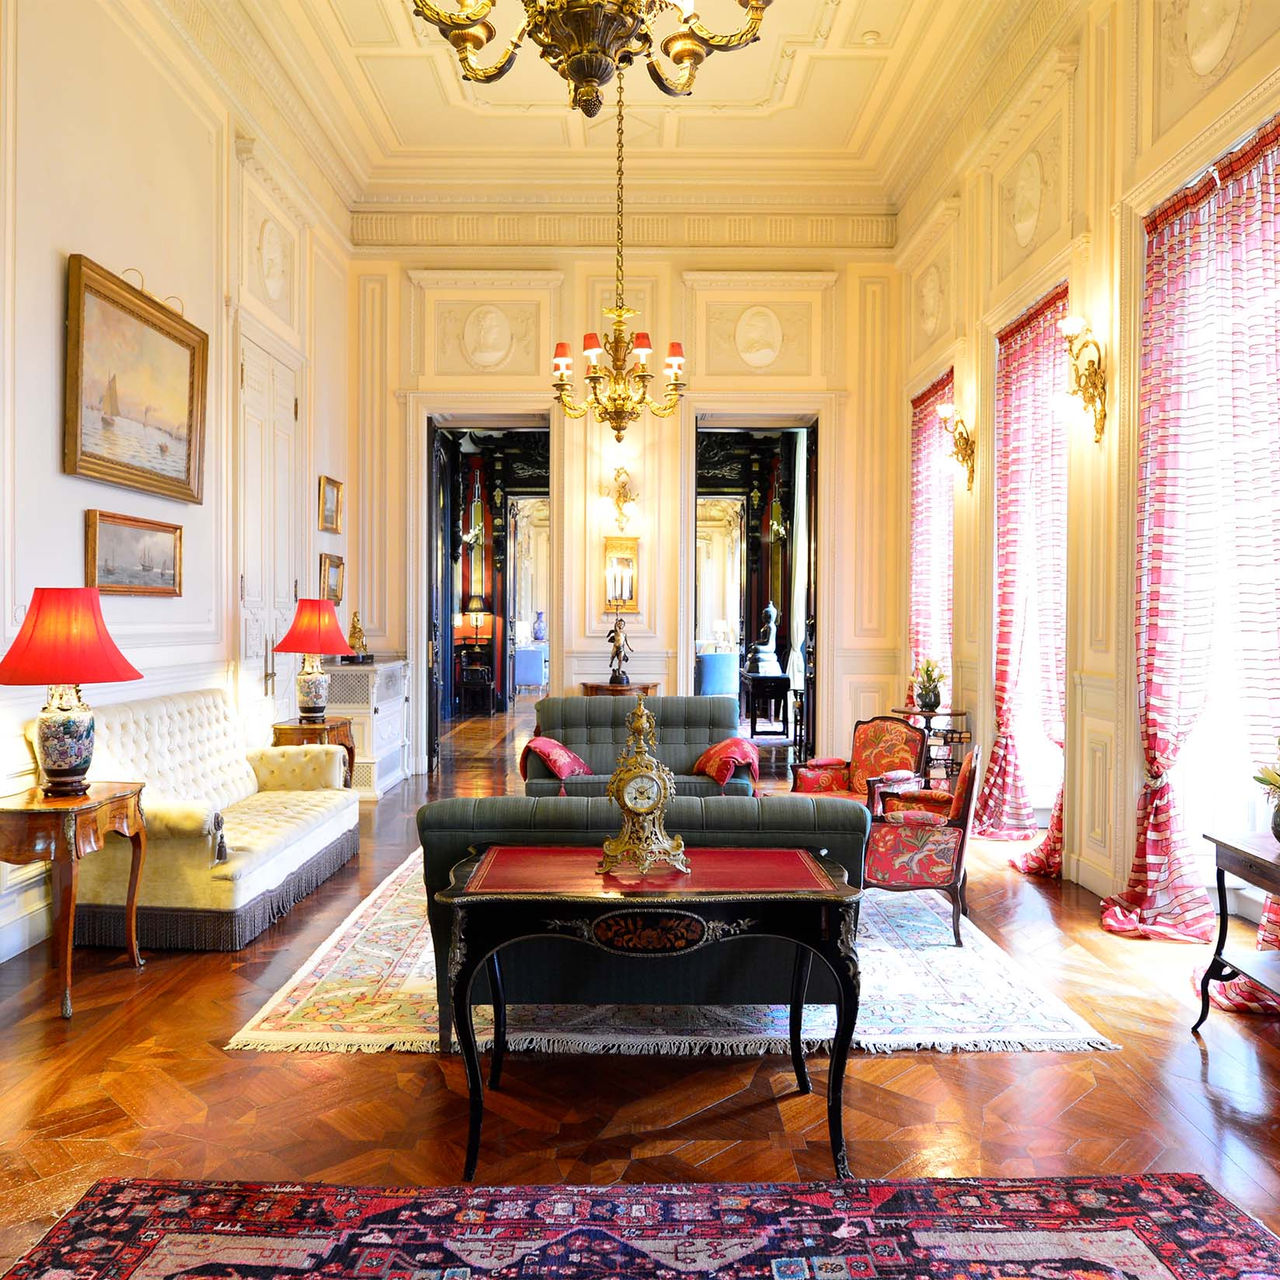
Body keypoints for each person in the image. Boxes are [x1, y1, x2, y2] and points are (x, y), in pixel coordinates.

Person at [607, 615, 633, 684]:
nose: (621, 625)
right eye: (620, 624)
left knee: (620, 659)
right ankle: (611, 662)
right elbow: (615, 626)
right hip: (615, 646)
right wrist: (617, 619)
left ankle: (619, 670)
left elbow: (626, 642)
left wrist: (630, 648)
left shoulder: (624, 633)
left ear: (624, 625)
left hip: (621, 648)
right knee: (612, 656)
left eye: (622, 624)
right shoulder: (616, 631)